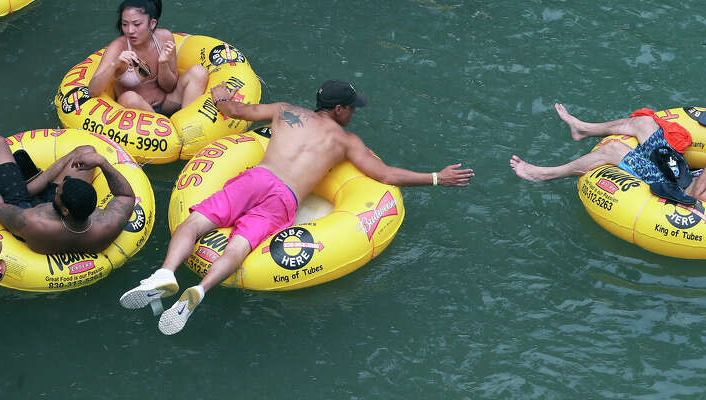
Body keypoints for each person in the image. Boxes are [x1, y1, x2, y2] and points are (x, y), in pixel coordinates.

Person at [120, 79, 475, 335]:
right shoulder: (346, 141)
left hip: (257, 177)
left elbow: (236, 110)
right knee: (241, 246)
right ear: (338, 109)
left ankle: (166, 272)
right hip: (284, 198)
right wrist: (434, 178)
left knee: (195, 223)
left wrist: (220, 94)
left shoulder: (286, 111)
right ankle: (199, 291)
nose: (353, 113)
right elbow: (384, 175)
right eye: (352, 107)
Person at [509, 103, 706, 211]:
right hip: (688, 175)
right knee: (643, 123)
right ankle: (582, 129)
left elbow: (693, 199)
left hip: (678, 189)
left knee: (613, 151)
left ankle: (543, 174)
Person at [0, 116, 138, 255]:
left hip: (22, 205)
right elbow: (126, 196)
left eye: (59, 190)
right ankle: (31, 185)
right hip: (63, 214)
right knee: (85, 152)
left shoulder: (32, 221)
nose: (58, 187)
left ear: (65, 209)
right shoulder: (105, 226)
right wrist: (102, 162)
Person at [87, 0, 208, 115]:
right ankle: (166, 129)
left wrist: (163, 64)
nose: (130, 30)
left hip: (166, 103)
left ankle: (186, 126)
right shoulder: (118, 47)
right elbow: (93, 91)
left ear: (152, 23)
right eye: (125, 24)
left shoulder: (164, 38)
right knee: (129, 97)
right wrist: (115, 64)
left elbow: (170, 87)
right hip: (137, 111)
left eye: (137, 24)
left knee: (198, 72)